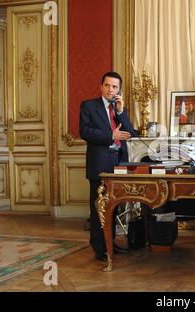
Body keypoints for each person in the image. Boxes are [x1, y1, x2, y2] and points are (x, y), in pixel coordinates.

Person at [79, 71, 136, 261]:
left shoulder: (119, 109)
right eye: (107, 85)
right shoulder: (89, 106)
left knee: (115, 207)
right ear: (101, 86)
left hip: (119, 163)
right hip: (99, 164)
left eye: (114, 87)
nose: (111, 90)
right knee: (99, 209)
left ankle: (110, 244)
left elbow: (131, 134)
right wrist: (111, 135)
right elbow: (85, 132)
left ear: (119, 89)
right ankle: (99, 247)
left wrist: (121, 112)